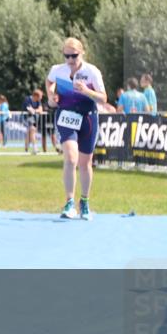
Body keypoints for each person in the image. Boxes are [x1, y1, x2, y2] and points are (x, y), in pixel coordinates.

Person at [46, 37, 107, 221]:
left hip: (88, 117)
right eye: (67, 56)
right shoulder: (58, 70)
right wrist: (51, 96)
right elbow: (49, 82)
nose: (70, 60)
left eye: (74, 55)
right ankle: (69, 201)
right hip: (66, 116)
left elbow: (103, 98)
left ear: (82, 53)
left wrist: (86, 91)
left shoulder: (92, 72)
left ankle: (85, 201)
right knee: (71, 158)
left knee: (85, 162)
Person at [23, 89, 45, 154]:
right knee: (32, 130)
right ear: (36, 96)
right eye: (40, 96)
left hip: (34, 118)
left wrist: (35, 110)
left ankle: (26, 149)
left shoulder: (38, 101)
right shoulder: (27, 99)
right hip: (27, 118)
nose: (41, 98)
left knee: (29, 134)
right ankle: (35, 148)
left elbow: (40, 110)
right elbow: (30, 110)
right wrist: (36, 110)